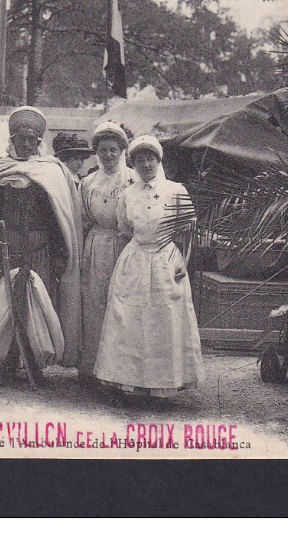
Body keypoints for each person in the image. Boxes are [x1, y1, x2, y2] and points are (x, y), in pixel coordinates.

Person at [0, 106, 83, 381]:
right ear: (12, 139)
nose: (27, 144)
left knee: (36, 304)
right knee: (7, 304)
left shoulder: (51, 172)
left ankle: (34, 364)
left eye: (33, 140)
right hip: (8, 245)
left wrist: (60, 253)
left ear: (39, 142)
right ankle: (7, 362)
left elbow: (59, 218)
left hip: (39, 247)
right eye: (22, 138)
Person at [93, 135, 206, 397]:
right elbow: (124, 226)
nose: (146, 164)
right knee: (128, 319)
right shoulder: (127, 194)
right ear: (133, 164)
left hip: (167, 260)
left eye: (150, 159)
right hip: (134, 261)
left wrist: (185, 262)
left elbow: (189, 229)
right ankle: (128, 382)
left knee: (164, 320)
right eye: (140, 160)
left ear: (158, 160)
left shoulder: (175, 190)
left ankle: (163, 385)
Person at [76, 122, 137, 385]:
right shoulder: (89, 182)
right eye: (103, 150)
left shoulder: (134, 179)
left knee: (122, 305)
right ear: (96, 153)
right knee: (94, 304)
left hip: (125, 245)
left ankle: (120, 370)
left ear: (122, 150)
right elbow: (82, 218)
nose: (108, 155)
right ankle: (91, 367)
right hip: (97, 244)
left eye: (113, 150)